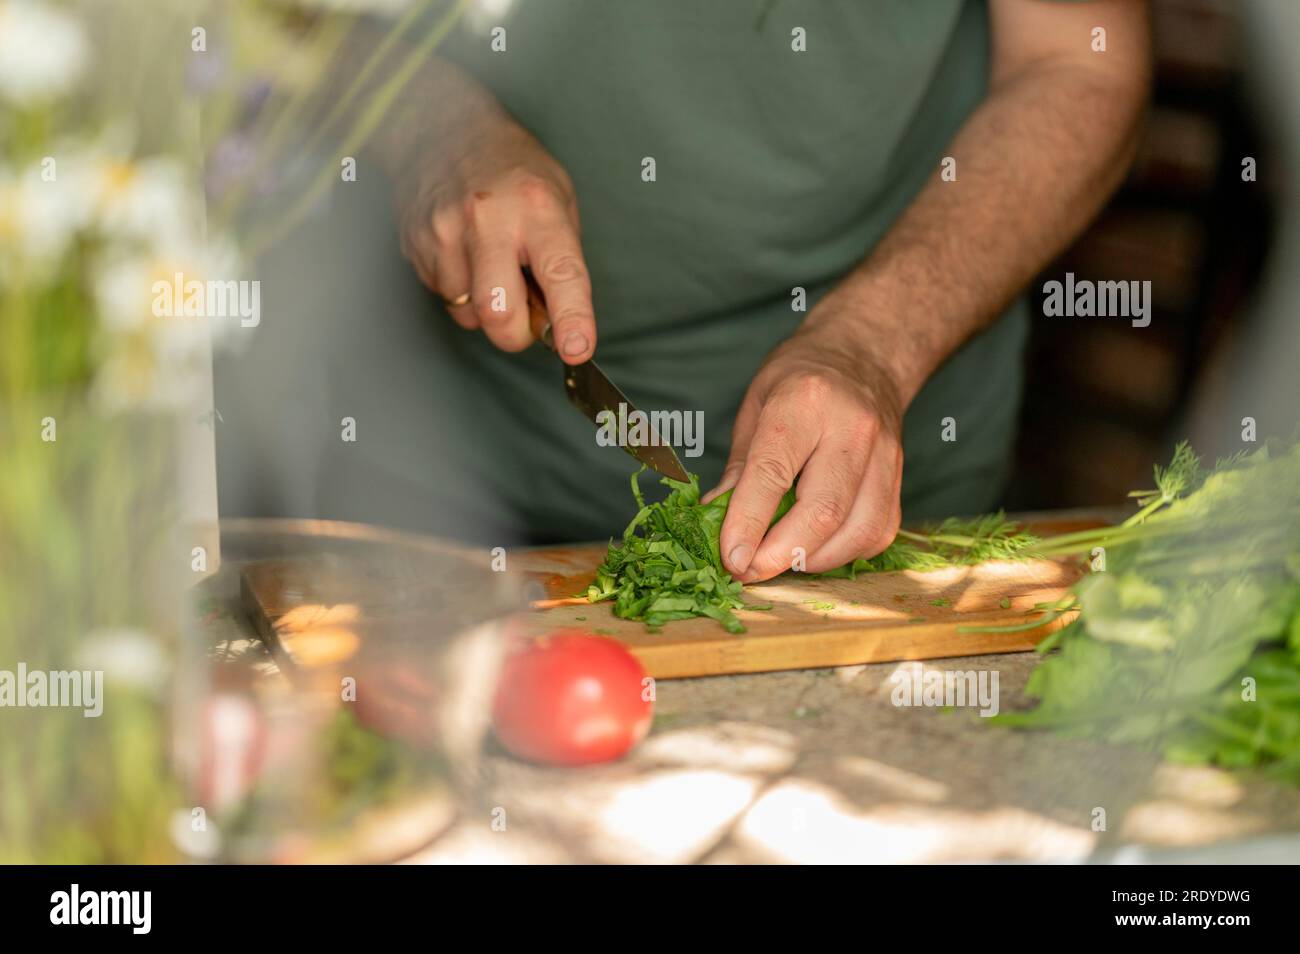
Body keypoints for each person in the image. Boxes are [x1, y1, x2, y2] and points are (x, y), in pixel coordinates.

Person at [244, 0, 1149, 581]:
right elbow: (273, 16)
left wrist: (874, 340)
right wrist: (430, 128)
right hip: (436, 481)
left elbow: (1083, 58)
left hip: (877, 495)